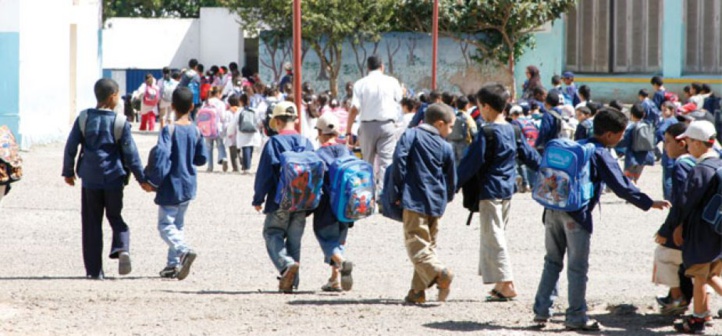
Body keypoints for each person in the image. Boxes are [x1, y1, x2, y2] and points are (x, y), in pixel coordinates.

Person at [532, 107, 670, 331]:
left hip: (552, 209)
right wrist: (648, 202)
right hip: (576, 215)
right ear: (608, 135)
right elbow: (621, 186)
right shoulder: (600, 152)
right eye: (620, 133)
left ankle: (540, 312)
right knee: (577, 267)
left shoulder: (579, 144)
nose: (622, 137)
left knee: (552, 261)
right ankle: (576, 316)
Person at [457, 83, 541, 302]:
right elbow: (528, 155)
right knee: (496, 235)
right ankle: (500, 284)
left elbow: (470, 163)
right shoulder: (513, 129)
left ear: (485, 107)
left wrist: (450, 185)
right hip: (507, 189)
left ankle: (507, 283)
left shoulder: (486, 132)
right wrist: (547, 168)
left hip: (489, 190)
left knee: (494, 237)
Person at [62, 78, 146, 280]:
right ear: (112, 97)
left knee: (91, 223)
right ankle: (122, 247)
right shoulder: (119, 122)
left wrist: (68, 171)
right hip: (114, 179)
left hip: (90, 179)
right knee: (115, 217)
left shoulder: (84, 118)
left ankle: (94, 270)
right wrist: (142, 179)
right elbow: (131, 154)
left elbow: (71, 146)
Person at [388, 103, 457, 304]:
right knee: (429, 246)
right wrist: (448, 196)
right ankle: (417, 292)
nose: (450, 131)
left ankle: (440, 272)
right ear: (440, 124)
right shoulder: (446, 147)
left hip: (414, 198)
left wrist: (397, 191)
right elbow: (451, 177)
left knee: (416, 244)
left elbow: (399, 161)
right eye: (450, 127)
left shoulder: (411, 136)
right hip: (436, 202)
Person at [143, 86, 207, 280]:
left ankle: (183, 250)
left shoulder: (168, 130)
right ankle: (173, 264)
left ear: (172, 106)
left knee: (165, 225)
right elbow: (201, 158)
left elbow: (162, 155)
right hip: (188, 184)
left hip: (171, 184)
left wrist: (153, 180)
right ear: (192, 106)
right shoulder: (196, 131)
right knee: (178, 224)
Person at [253, 102, 316, 293]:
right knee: (294, 241)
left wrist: (258, 199)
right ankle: (292, 282)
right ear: (295, 119)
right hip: (303, 200)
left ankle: (285, 264)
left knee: (272, 232)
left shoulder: (274, 143)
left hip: (280, 199)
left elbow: (264, 174)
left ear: (277, 121)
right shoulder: (307, 142)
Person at [672, 120, 722, 334]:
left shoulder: (701, 169)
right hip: (718, 229)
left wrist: (674, 227)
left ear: (700, 144)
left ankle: (698, 319)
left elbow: (686, 202)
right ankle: (703, 314)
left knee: (699, 275)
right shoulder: (719, 165)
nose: (688, 146)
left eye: (690, 142)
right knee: (710, 273)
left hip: (701, 231)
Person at [653, 123, 695, 316]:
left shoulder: (681, 165)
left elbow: (680, 202)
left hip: (686, 226)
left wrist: (666, 229)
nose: (665, 147)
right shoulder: (704, 160)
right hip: (704, 226)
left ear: (681, 143)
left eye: (667, 142)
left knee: (664, 255)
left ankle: (678, 297)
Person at [346, 55, 403, 196]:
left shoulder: (360, 84)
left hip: (366, 126)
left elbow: (354, 109)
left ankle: (367, 195)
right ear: (382, 67)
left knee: (367, 162)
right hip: (388, 125)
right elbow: (400, 98)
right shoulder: (392, 81)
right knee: (386, 162)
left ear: (367, 68)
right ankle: (383, 195)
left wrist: (348, 131)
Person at [312, 112, 355, 292]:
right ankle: (334, 279)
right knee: (339, 240)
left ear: (320, 133)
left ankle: (342, 262)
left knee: (327, 238)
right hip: (347, 207)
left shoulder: (318, 154)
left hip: (327, 207)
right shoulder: (347, 151)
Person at [620, 103, 655, 184]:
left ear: (631, 114)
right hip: (644, 157)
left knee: (627, 180)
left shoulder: (631, 127)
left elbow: (625, 141)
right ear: (644, 114)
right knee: (635, 178)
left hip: (632, 157)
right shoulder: (648, 125)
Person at [233, 93, 262, 174]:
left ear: (241, 101)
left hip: (242, 132)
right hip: (253, 131)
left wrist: (230, 132)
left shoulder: (239, 111)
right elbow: (258, 121)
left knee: (245, 148)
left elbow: (234, 122)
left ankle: (247, 167)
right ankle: (248, 165)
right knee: (250, 148)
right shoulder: (254, 110)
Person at [657, 102, 679, 201]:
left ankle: (668, 198)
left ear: (672, 110)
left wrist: (665, 141)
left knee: (667, 178)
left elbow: (659, 131)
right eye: (662, 110)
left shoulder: (668, 121)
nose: (663, 113)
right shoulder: (676, 121)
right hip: (676, 152)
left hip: (668, 153)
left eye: (665, 110)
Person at [202, 87, 228, 172]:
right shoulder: (221, 103)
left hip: (207, 127)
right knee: (220, 144)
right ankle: (223, 158)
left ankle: (210, 166)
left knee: (209, 147)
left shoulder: (205, 103)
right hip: (217, 127)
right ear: (218, 94)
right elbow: (223, 117)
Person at [223, 94, 241, 173]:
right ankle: (243, 163)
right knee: (240, 150)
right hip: (240, 134)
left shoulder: (227, 112)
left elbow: (225, 124)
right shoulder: (240, 111)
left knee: (233, 152)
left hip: (231, 135)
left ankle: (235, 167)